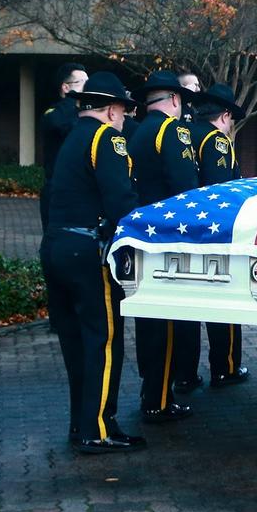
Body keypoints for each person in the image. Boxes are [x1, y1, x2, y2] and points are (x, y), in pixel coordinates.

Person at [41, 71, 146, 454]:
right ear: (113, 109)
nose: (123, 118)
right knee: (103, 341)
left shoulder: (73, 137)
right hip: (87, 251)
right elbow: (121, 201)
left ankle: (81, 423)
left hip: (56, 245)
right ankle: (99, 427)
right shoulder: (107, 138)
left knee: (75, 343)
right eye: (123, 110)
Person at [127, 70, 199, 424]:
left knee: (148, 319)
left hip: (141, 233)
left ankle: (150, 388)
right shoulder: (173, 131)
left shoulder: (138, 132)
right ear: (175, 100)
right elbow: (186, 186)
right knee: (167, 320)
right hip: (169, 236)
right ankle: (157, 399)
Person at [187, 82, 251, 389]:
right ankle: (224, 366)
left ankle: (185, 372)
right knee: (223, 302)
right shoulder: (216, 141)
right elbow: (223, 192)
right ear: (225, 116)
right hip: (213, 231)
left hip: (185, 229)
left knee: (185, 307)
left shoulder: (185, 134)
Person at [39, 62, 88, 228]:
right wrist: (73, 101)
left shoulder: (86, 112)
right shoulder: (56, 113)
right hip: (58, 192)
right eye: (82, 83)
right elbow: (56, 123)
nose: (88, 87)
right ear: (66, 88)